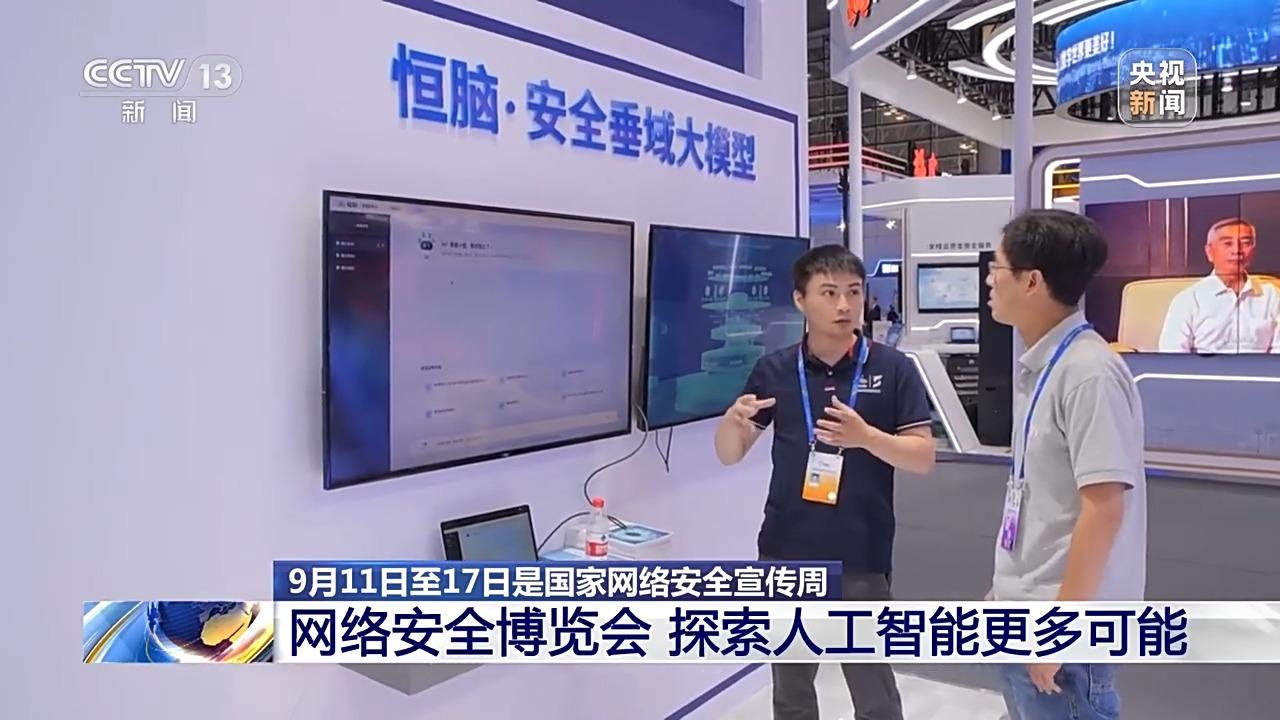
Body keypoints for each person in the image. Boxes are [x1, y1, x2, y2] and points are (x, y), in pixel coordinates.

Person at [714, 244, 936, 720]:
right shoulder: (775, 370)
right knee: (791, 693)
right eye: (830, 293)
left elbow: (923, 457)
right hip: (785, 549)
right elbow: (730, 454)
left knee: (875, 695)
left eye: (853, 292)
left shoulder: (892, 367)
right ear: (801, 300)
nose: (844, 305)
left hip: (861, 550)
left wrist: (866, 438)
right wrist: (731, 422)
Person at [984, 209, 1148, 720]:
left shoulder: (1088, 373)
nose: (989, 280)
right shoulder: (1045, 366)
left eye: (997, 268)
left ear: (1032, 281)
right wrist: (1005, 590)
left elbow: (1104, 509)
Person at [1158, 217, 1280, 353]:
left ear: (1253, 251)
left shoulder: (1272, 295)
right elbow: (1172, 355)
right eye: (1228, 243)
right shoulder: (1189, 299)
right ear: (1209, 252)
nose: (1237, 251)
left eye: (1245, 243)